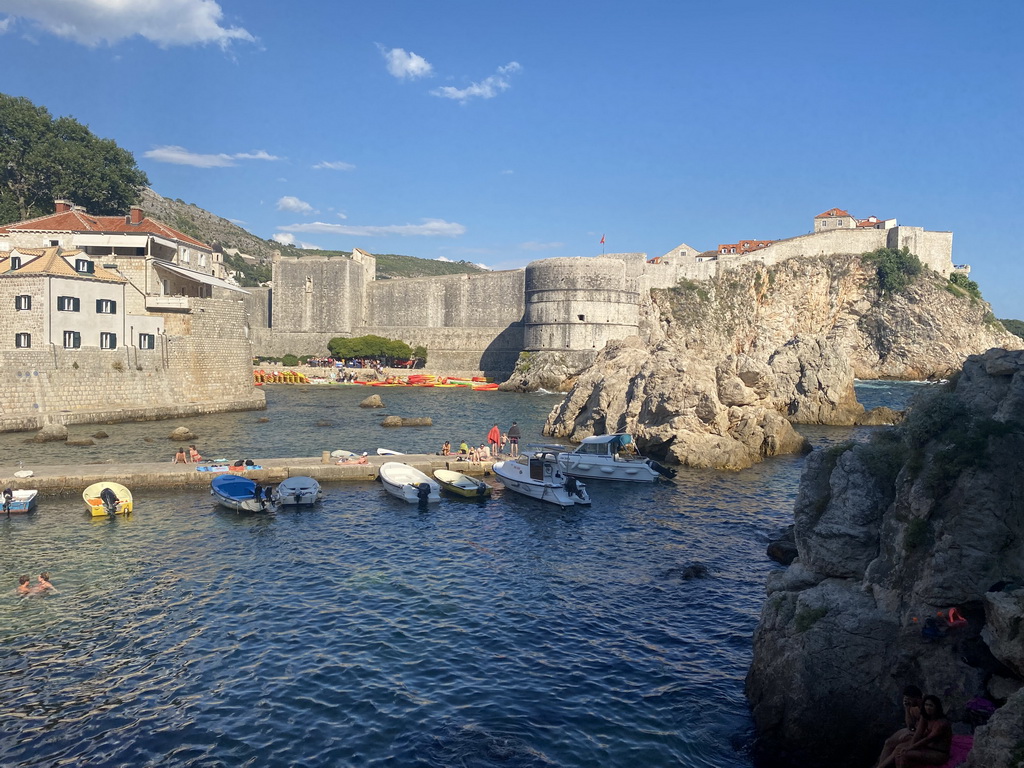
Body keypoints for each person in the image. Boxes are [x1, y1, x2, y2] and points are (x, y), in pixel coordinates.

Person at [880, 695, 951, 768]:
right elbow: (918, 734)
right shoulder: (925, 717)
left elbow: (927, 739)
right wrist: (909, 744)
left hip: (939, 753)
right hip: (927, 747)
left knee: (905, 754)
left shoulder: (941, 724)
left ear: (936, 707)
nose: (928, 708)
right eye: (926, 705)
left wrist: (910, 747)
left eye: (931, 705)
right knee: (899, 749)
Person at [873, 686, 923, 768]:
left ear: (916, 698)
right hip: (914, 730)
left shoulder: (925, 707)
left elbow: (925, 727)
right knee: (888, 742)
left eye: (909, 699)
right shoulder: (912, 706)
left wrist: (911, 734)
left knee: (898, 748)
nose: (907, 701)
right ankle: (880, 764)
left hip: (922, 733)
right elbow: (910, 725)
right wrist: (907, 709)